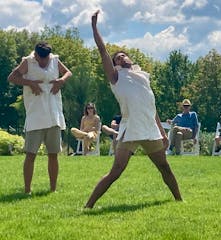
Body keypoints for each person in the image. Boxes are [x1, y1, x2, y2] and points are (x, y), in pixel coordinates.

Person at [85, 10, 182, 208]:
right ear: (115, 65)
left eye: (123, 55)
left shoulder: (142, 77)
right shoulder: (116, 78)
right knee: (116, 171)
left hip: (149, 128)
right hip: (131, 130)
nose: (122, 58)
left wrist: (162, 133)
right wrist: (95, 27)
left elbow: (151, 108)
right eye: (118, 58)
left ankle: (180, 201)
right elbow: (103, 51)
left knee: (164, 166)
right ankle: (88, 206)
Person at [7, 41, 72, 194]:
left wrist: (61, 80)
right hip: (35, 115)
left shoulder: (55, 60)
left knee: (53, 154)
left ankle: (53, 189)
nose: (43, 61)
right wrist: (29, 83)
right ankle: (27, 190)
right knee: (30, 154)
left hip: (53, 114)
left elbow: (68, 72)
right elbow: (12, 77)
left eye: (45, 58)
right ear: (35, 54)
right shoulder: (27, 62)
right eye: (40, 58)